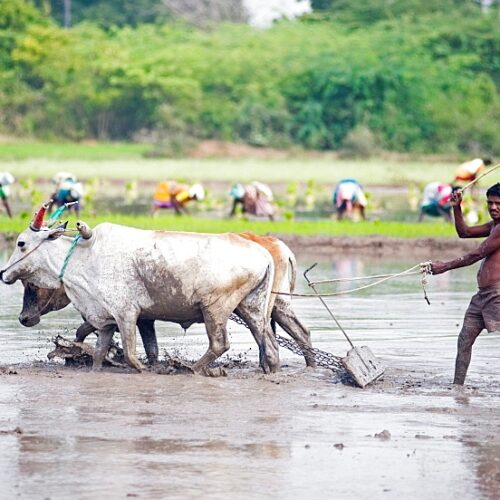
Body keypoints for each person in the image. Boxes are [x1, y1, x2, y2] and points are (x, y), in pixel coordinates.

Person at [430, 183, 500, 385]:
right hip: (482, 296)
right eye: (490, 203)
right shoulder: (494, 225)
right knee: (464, 340)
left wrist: (445, 266)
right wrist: (456, 207)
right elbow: (465, 232)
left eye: (498, 204)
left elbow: (477, 254)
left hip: (497, 294)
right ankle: (457, 387)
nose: (493, 208)